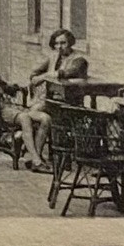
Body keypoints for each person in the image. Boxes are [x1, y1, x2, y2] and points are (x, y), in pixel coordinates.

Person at [18, 28, 88, 169]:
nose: (59, 47)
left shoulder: (79, 59)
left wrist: (45, 76)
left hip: (69, 102)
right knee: (38, 114)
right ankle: (35, 156)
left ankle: (24, 144)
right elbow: (34, 73)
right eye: (56, 44)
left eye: (63, 43)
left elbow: (69, 72)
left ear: (71, 43)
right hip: (52, 100)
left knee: (33, 112)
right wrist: (35, 77)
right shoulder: (54, 58)